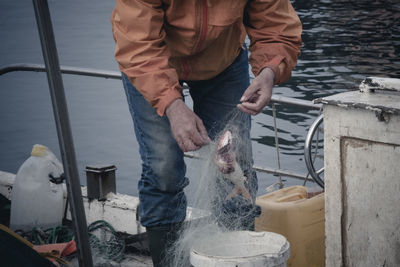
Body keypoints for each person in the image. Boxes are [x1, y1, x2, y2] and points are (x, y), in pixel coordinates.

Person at [111, 0, 302, 265]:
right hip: (150, 64)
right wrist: (171, 104)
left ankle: (238, 258)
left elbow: (276, 25)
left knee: (235, 164)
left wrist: (269, 71)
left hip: (223, 62)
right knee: (163, 168)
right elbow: (137, 43)